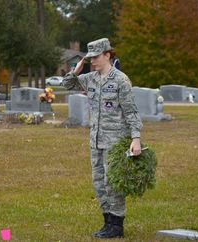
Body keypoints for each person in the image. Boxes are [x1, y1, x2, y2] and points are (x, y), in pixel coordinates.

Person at [62, 38, 143, 238]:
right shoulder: (91, 78)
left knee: (112, 182)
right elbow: (68, 84)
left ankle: (117, 224)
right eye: (89, 58)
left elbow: (131, 111)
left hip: (115, 140)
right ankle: (107, 221)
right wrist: (76, 69)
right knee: (99, 182)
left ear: (108, 54)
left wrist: (136, 138)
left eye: (96, 57)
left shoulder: (120, 80)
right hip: (96, 140)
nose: (92, 61)